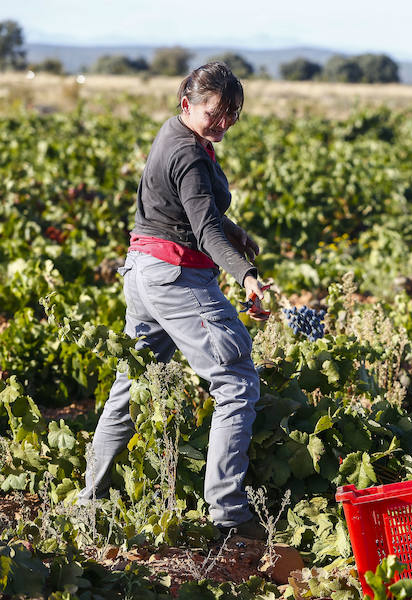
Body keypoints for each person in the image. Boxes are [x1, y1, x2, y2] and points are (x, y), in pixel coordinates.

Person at [77, 62, 267, 539]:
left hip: (143, 272)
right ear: (188, 105)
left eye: (232, 115)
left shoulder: (175, 134)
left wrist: (234, 231)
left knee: (129, 387)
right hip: (175, 278)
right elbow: (202, 229)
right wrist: (246, 275)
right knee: (236, 382)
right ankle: (229, 515)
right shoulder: (189, 154)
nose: (224, 123)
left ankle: (86, 506)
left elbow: (188, 209)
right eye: (216, 112)